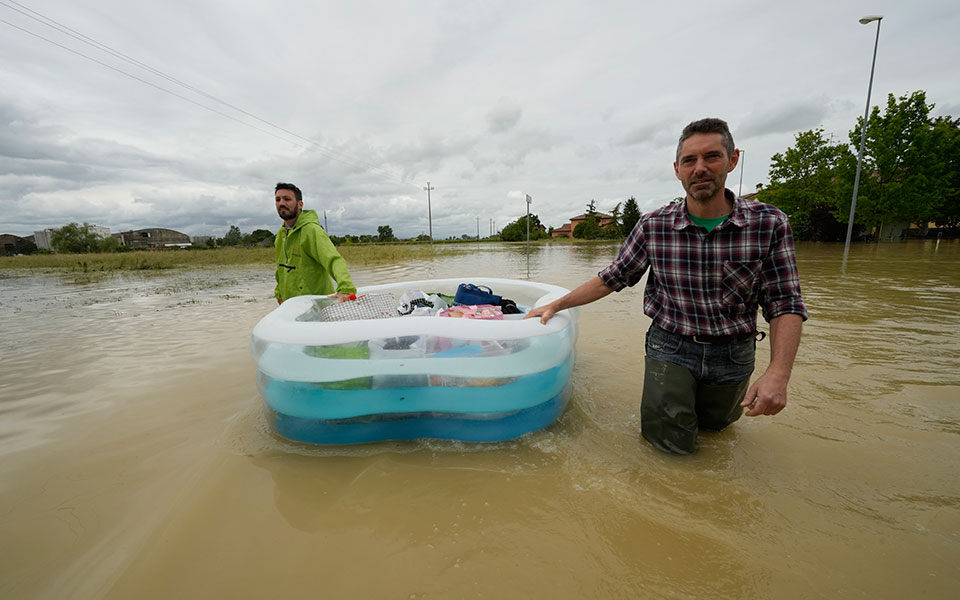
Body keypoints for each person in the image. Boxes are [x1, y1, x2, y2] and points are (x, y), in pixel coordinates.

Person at [525, 118, 808, 455]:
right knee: (668, 449)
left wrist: (778, 374)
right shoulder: (653, 226)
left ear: (732, 160)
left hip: (734, 353)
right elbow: (613, 277)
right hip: (670, 348)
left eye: (712, 157)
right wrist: (559, 304)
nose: (700, 168)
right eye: (690, 160)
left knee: (717, 433)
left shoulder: (769, 223)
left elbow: (784, 302)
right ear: (677, 169)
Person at [273, 182, 356, 304]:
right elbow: (281, 268)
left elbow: (333, 260)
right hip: (291, 305)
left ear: (300, 204)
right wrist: (279, 293)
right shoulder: (281, 234)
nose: (281, 203)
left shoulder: (312, 230)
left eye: (287, 199)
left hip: (316, 305)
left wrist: (346, 287)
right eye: (278, 199)